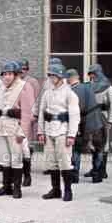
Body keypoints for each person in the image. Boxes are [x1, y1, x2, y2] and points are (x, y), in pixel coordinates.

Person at [0, 60, 34, 198]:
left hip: (15, 130)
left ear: (15, 75)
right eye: (4, 74)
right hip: (0, 129)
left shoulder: (24, 88)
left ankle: (17, 188)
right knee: (3, 159)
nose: (7, 77)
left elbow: (28, 114)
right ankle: (6, 186)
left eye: (10, 74)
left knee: (16, 159)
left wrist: (22, 132)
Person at [37, 63, 80, 202]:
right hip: (49, 131)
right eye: (50, 75)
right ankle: (55, 190)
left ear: (60, 76)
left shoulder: (70, 93)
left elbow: (74, 116)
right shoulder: (47, 93)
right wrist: (40, 131)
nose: (51, 77)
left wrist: (71, 135)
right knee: (51, 162)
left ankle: (68, 190)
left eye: (53, 75)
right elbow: (42, 113)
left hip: (63, 131)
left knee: (65, 162)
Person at [65, 68, 104, 183]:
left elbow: (77, 111)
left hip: (84, 124)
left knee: (76, 149)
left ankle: (74, 175)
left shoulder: (74, 91)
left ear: (70, 79)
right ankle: (97, 175)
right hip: (97, 122)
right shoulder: (88, 87)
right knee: (98, 148)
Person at [86, 64, 112, 179]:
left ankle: (102, 170)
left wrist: (110, 120)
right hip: (91, 117)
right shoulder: (90, 85)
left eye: (93, 73)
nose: (92, 76)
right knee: (93, 143)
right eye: (90, 74)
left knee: (104, 144)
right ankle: (95, 168)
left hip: (103, 117)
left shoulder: (108, 87)